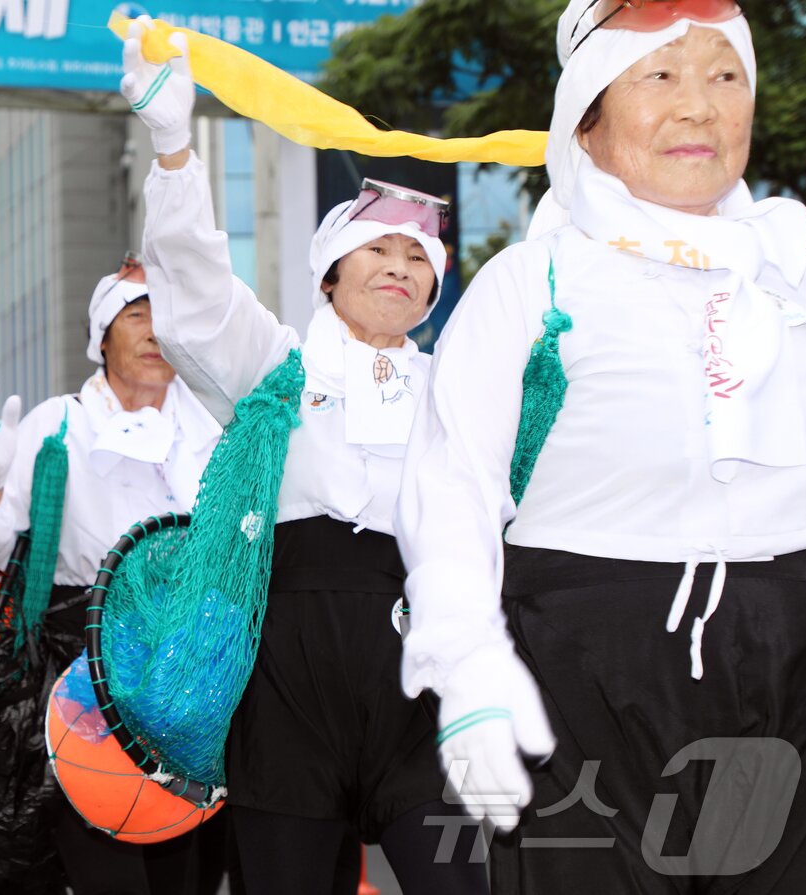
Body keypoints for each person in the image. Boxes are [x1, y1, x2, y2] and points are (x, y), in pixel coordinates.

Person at [394, 2, 806, 891]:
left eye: (725, 76)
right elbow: (452, 484)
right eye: (660, 75)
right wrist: (467, 663)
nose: (699, 107)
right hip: (582, 675)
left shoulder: (794, 284)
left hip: (786, 668)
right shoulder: (534, 282)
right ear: (585, 124)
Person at [121, 18, 489, 895]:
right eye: (378, 251)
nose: (399, 269)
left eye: (419, 259)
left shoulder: (461, 388)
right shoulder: (275, 368)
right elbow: (198, 297)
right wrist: (174, 150)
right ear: (329, 272)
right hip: (288, 672)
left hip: (420, 669)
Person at [0, 256, 224, 893]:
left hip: (186, 663)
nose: (156, 332)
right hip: (81, 663)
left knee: (183, 867)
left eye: (168, 318)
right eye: (137, 315)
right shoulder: (57, 423)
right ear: (101, 338)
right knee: (107, 861)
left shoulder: (210, 429)